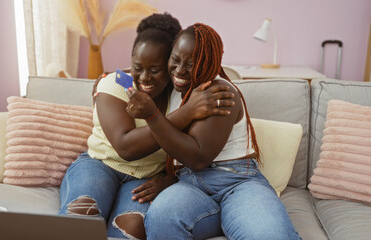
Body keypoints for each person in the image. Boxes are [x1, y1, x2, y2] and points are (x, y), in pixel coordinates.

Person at [58, 14, 234, 239]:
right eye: (137, 67)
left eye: (156, 69)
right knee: (82, 213)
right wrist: (186, 113)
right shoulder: (119, 81)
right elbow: (126, 147)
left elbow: (190, 152)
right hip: (100, 165)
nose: (144, 78)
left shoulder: (181, 94)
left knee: (130, 228)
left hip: (147, 178)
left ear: (170, 65)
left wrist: (168, 180)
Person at [126, 23, 301, 240]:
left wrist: (152, 115)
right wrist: (107, 79)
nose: (179, 70)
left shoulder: (220, 92)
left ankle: (238, 214)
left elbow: (198, 158)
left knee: (269, 234)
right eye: (175, 59)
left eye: (192, 64)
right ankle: (231, 217)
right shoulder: (173, 88)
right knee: (162, 217)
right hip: (188, 185)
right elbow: (142, 71)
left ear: (209, 63)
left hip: (236, 182)